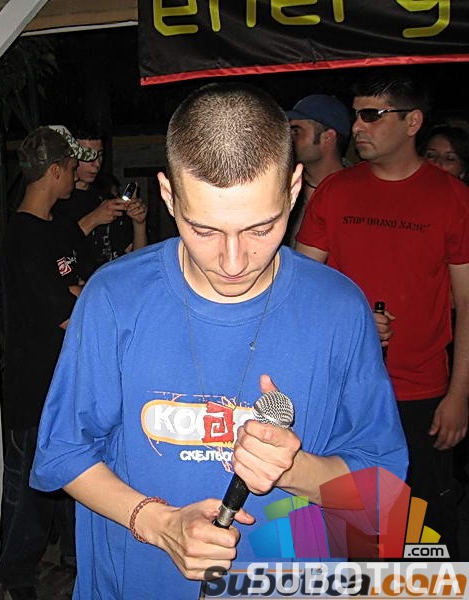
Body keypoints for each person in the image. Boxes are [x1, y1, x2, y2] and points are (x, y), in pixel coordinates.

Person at [29, 83, 408, 600]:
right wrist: (160, 524)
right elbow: (64, 451)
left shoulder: (339, 309)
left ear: (294, 189)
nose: (233, 261)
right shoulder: (114, 297)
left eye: (261, 228)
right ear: (168, 196)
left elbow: (381, 493)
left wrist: (294, 469)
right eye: (204, 230)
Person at [296, 71, 469, 559]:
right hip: (342, 392)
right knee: (350, 536)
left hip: (420, 394)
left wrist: (459, 395)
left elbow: (467, 304)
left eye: (372, 115)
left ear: (412, 122)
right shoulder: (336, 191)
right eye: (357, 115)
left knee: (422, 539)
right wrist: (352, 321)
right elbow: (301, 288)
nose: (358, 127)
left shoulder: (453, 199)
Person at [0, 125, 94, 600]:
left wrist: (77, 295)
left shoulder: (62, 227)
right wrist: (75, 297)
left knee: (74, 476)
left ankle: (71, 565)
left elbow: (92, 287)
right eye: (71, 168)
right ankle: (15, 577)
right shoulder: (21, 234)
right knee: (29, 489)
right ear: (54, 171)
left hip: (70, 378)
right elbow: (64, 311)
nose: (75, 176)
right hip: (34, 382)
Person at [52, 126, 147, 277]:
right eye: (88, 156)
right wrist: (94, 219)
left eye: (100, 155)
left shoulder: (107, 200)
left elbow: (137, 261)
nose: (96, 164)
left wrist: (139, 223)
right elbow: (52, 255)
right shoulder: (55, 202)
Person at [284, 94, 350, 245]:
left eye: (296, 131)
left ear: (327, 137)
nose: (289, 138)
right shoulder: (287, 188)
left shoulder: (356, 194)